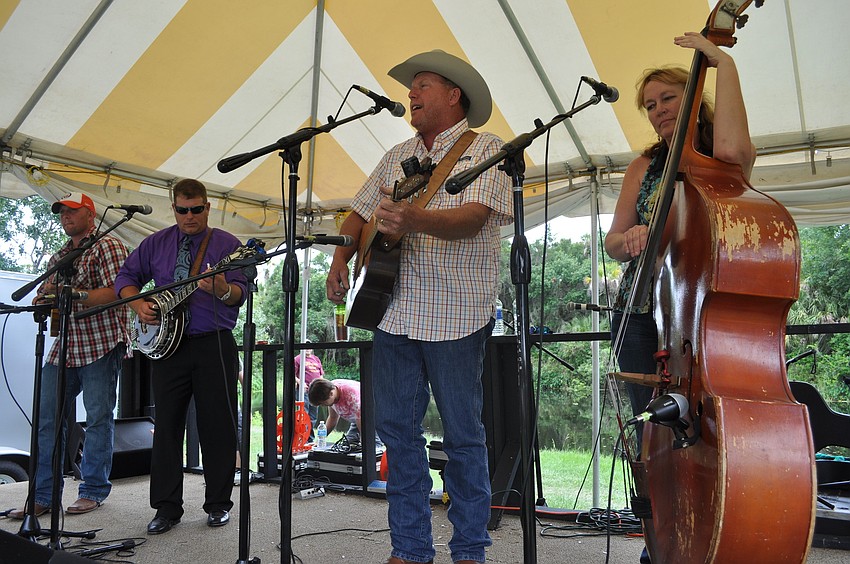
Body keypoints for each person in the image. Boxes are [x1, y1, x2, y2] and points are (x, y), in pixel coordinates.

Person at [326, 50, 512, 564]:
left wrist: (413, 220)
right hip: (393, 310)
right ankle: (409, 549)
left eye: (423, 85)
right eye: (412, 86)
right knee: (397, 434)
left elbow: (474, 219)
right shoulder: (396, 154)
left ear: (454, 95)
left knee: (463, 437)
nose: (412, 92)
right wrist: (340, 261)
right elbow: (357, 213)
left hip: (455, 314)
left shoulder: (486, 150)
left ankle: (470, 551)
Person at [603, 33, 756, 564]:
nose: (658, 111)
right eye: (649, 105)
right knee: (654, 440)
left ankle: (713, 536)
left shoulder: (718, 155)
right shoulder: (642, 168)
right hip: (641, 314)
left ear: (693, 95)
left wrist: (723, 64)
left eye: (667, 98)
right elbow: (612, 241)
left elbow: (738, 155)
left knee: (709, 432)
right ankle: (661, 546)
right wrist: (630, 239)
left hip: (700, 314)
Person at [114, 178, 247, 535]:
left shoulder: (228, 245)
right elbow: (126, 278)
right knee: (166, 427)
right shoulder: (155, 243)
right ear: (173, 208)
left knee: (217, 425)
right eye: (183, 210)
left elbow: (239, 293)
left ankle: (219, 504)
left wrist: (222, 289)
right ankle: (166, 507)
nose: (190, 216)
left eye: (198, 209)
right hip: (167, 347)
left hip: (213, 342)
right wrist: (139, 303)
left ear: (208, 207)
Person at [10, 192, 130, 519]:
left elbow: (116, 292)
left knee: (98, 417)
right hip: (66, 344)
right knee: (47, 417)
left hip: (101, 341)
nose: (65, 216)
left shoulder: (109, 246)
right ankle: (44, 495)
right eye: (62, 212)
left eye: (72, 211)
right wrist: (43, 300)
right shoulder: (58, 257)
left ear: (90, 215)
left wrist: (69, 294)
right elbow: (51, 296)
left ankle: (92, 490)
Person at [307, 378, 379, 448]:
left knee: (372, 446)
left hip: (370, 418)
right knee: (346, 445)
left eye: (323, 403)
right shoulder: (328, 391)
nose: (323, 406)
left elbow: (362, 420)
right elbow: (333, 418)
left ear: (331, 394)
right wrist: (320, 440)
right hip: (357, 419)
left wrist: (365, 443)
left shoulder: (351, 395)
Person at [294, 343, 324, 437]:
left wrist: (321, 386)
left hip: (315, 391)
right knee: (304, 413)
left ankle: (309, 437)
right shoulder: (297, 359)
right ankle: (303, 436)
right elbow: (292, 374)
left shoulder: (316, 359)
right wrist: (300, 382)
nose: (307, 348)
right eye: (305, 346)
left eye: (309, 346)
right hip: (304, 391)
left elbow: (321, 374)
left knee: (313, 415)